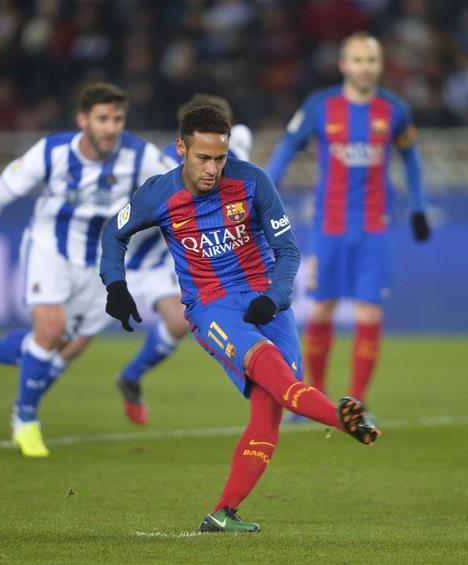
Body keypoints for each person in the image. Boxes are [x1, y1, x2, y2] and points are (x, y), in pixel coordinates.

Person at [101, 105, 380, 532]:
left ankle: (223, 513)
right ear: (181, 149)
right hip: (211, 306)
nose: (213, 169)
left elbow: (287, 251)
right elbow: (114, 233)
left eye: (220, 158)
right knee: (282, 382)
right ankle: (341, 418)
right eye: (202, 158)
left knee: (269, 412)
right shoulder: (158, 194)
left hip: (266, 303)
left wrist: (276, 297)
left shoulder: (253, 182)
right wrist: (115, 286)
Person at [0, 83, 176, 457]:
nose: (111, 127)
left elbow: (178, 186)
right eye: (103, 118)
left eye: (118, 119)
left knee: (61, 343)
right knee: (49, 329)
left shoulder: (139, 155)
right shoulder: (52, 152)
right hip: (50, 249)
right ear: (83, 120)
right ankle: (25, 419)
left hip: (100, 262)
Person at [266, 32, 430, 413]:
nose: (364, 67)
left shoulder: (394, 110)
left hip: (375, 227)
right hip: (329, 225)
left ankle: (356, 402)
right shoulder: (319, 106)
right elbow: (287, 149)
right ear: (343, 64)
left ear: (380, 65)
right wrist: (264, 196)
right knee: (321, 309)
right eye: (357, 60)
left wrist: (419, 208)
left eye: (371, 60)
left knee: (369, 312)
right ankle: (316, 400)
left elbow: (412, 160)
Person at [115, 94, 253, 424]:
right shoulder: (164, 164)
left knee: (186, 319)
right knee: (61, 339)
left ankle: (130, 377)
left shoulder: (237, 147)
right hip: (144, 257)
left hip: (181, 255)